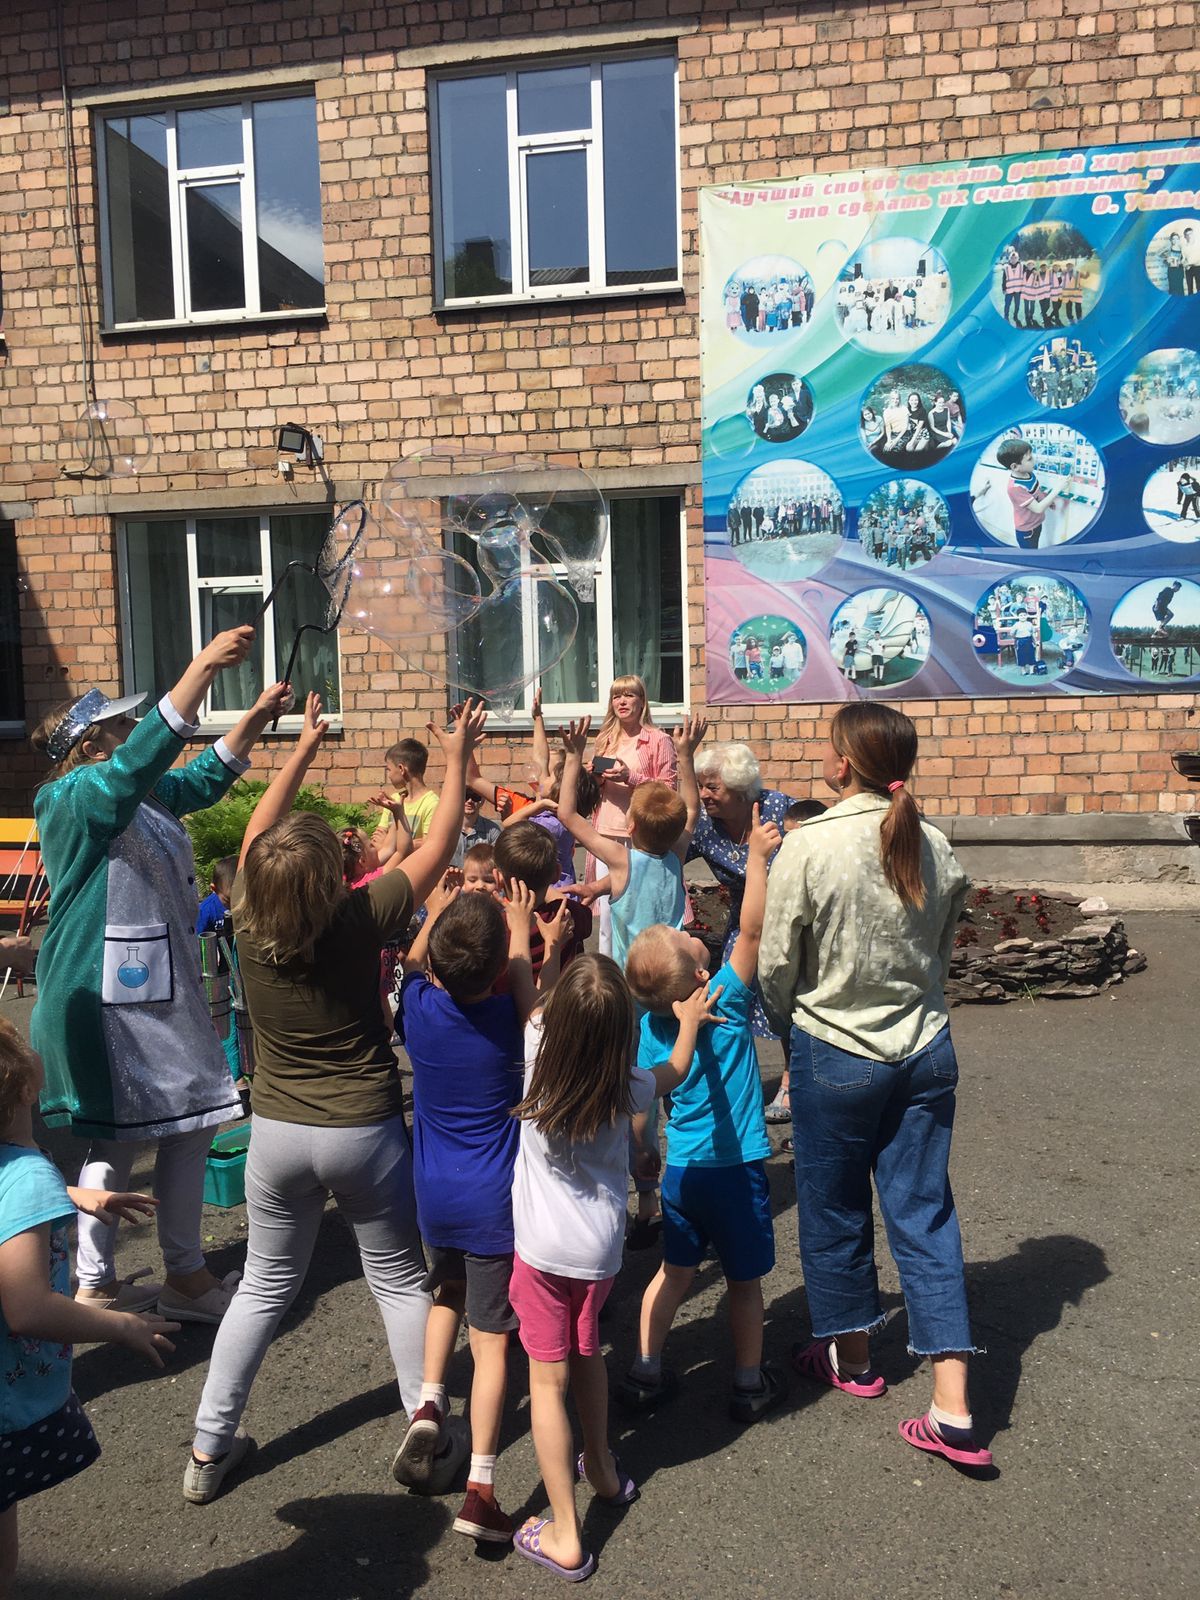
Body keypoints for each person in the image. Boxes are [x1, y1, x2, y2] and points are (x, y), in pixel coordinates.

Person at [183, 695, 488, 1504]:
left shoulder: (245, 914)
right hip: (364, 1129)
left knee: (262, 1286)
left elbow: (257, 835)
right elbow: (440, 844)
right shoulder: (362, 914)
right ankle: (426, 1420)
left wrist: (305, 746)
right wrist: (456, 756)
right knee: (398, 1279)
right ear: (333, 875)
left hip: (278, 1133)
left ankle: (209, 1447)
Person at [30, 629, 290, 1324]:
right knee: (165, 1125)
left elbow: (197, 780)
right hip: (111, 999)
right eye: (122, 725)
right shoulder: (74, 795)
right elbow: (141, 762)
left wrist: (255, 718)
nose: (135, 729)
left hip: (135, 994)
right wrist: (200, 667)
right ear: (92, 744)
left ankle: (106, 1282)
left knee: (135, 1133)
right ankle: (179, 1279)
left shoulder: (130, 793)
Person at [759, 702, 990, 1472]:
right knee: (925, 1212)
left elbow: (775, 963)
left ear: (843, 763)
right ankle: (953, 1405)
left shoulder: (810, 843)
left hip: (835, 1047)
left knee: (833, 1206)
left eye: (829, 747)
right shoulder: (934, 844)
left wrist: (790, 1023)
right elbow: (943, 949)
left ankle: (854, 1360)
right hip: (924, 1047)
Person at [509, 956, 721, 1580]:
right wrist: (689, 1021)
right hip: (599, 1255)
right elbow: (675, 1070)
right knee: (588, 1354)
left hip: (541, 1254)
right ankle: (601, 1466)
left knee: (547, 1384)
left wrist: (535, 939)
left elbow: (527, 990)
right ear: (621, 1032)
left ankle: (565, 1532)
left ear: (558, 1021)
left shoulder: (534, 1053)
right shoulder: (627, 1083)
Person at [393, 876, 565, 1541]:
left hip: (433, 1195)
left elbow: (410, 965)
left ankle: (428, 1403)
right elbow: (532, 1002)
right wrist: (523, 930)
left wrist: (432, 914)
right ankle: (481, 1488)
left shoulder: (419, 1012)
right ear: (496, 968)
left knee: (447, 1293)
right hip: (493, 1202)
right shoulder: (507, 1026)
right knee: (492, 1343)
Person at [0, 1018, 181, 1594]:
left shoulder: (22, 1172)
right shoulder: (27, 1175)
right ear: (25, 1086)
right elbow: (27, 1307)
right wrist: (120, 1324)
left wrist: (78, 1195)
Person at [618, 805, 784, 1422]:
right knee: (744, 1282)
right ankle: (747, 1382)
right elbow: (752, 932)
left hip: (683, 1172)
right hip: (736, 1167)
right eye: (684, 935)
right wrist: (757, 858)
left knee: (674, 1273)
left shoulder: (651, 1029)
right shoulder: (726, 999)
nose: (688, 929)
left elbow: (642, 1106)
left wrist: (643, 1156)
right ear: (699, 970)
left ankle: (645, 1370)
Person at [689, 744, 792, 1119]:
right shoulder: (704, 824)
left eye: (712, 787)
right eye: (701, 786)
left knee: (789, 1002)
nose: (704, 795)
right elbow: (665, 852)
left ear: (740, 787)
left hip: (791, 918)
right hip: (744, 924)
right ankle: (737, 1085)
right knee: (729, 1001)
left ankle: (790, 1082)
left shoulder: (778, 809)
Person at [588, 676, 677, 955]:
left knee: (639, 908)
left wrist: (630, 777)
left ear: (642, 701)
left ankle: (644, 966)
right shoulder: (605, 739)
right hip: (605, 831)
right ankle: (608, 970)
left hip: (641, 834)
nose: (622, 702)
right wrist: (594, 778)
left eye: (629, 695)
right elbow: (595, 792)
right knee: (607, 913)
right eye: (617, 696)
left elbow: (669, 789)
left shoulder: (659, 739)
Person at [996, 436, 1064, 550]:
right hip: (1027, 531)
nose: (1034, 460)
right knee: (1030, 554)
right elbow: (1038, 508)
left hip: (1037, 523)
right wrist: (1057, 489)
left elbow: (1036, 491)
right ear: (1015, 466)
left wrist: (1046, 501)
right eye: (1029, 459)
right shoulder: (1015, 487)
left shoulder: (1029, 473)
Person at [195, 856, 237, 935]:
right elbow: (199, 937)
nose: (235, 905)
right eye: (228, 900)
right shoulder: (206, 911)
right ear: (215, 889)